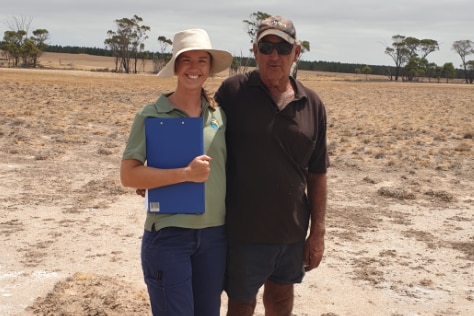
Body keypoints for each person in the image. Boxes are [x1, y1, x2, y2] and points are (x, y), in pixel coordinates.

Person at [214, 16, 329, 316]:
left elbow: (317, 173)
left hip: (290, 231)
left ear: (297, 52)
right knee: (241, 304)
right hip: (242, 230)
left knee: (280, 302)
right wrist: (160, 167)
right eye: (266, 47)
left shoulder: (312, 104)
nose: (274, 56)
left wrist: (317, 233)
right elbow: (199, 134)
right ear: (255, 51)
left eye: (282, 47)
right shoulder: (232, 92)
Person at [120, 28, 232, 316]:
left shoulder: (219, 115)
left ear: (209, 67)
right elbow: (129, 175)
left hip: (213, 237)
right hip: (169, 235)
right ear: (176, 66)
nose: (194, 69)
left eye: (202, 61)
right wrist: (184, 174)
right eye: (187, 61)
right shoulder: (151, 114)